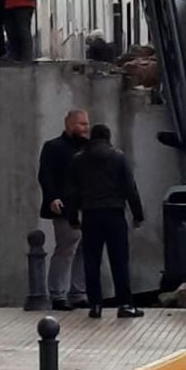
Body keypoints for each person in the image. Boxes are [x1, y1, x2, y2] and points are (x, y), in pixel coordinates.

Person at [67, 123, 145, 320]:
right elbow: (130, 187)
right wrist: (138, 215)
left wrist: (73, 217)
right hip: (114, 214)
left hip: (90, 215)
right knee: (119, 260)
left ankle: (95, 305)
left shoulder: (79, 160)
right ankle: (125, 304)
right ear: (108, 138)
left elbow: (72, 191)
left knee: (91, 261)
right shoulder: (118, 157)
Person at [38, 109, 90, 310]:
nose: (86, 128)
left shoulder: (88, 148)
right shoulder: (53, 147)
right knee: (66, 249)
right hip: (65, 208)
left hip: (87, 205)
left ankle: (78, 292)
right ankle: (58, 294)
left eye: (87, 124)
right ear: (69, 125)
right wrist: (52, 198)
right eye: (81, 124)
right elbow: (45, 175)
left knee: (84, 250)